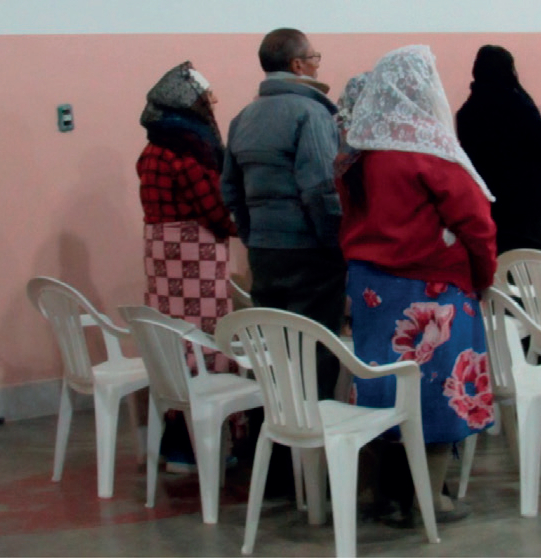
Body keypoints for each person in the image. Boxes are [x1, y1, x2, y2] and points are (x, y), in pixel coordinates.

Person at [341, 45, 497, 521]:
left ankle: (383, 495)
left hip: (371, 289)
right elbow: (476, 223)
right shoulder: (430, 147)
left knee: (384, 389)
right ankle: (428, 501)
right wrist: (482, 278)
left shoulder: (359, 151)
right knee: (438, 393)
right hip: (431, 290)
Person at [221, 28, 347, 401]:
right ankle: (312, 440)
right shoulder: (311, 113)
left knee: (272, 349)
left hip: (264, 249)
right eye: (314, 57)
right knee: (316, 349)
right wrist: (332, 243)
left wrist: (251, 234)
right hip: (310, 251)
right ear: (297, 65)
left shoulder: (243, 117)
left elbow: (230, 188)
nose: (316, 64)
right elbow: (320, 189)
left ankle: (276, 444)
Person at [137, 61, 242, 472]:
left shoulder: (152, 149)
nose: (213, 102)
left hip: (161, 256)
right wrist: (245, 226)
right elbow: (215, 212)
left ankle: (175, 444)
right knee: (206, 341)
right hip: (194, 258)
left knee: (173, 344)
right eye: (206, 96)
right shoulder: (188, 155)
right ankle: (204, 448)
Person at [456, 45, 541, 254]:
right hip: (524, 206)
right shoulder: (516, 105)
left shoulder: (466, 113)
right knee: (531, 264)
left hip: (488, 205)